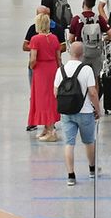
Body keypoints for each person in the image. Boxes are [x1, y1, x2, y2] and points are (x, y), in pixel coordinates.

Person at [54, 41, 100, 186]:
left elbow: (55, 92)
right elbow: (92, 92)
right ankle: (92, 170)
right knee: (88, 141)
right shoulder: (86, 69)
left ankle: (71, 176)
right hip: (85, 111)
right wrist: (98, 109)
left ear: (69, 52)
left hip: (67, 113)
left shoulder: (61, 70)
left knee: (69, 143)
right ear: (83, 53)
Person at [28, 10, 62, 141]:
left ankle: (51, 131)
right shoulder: (54, 38)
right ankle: (48, 127)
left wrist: (32, 66)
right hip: (52, 69)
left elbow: (33, 58)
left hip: (41, 71)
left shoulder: (35, 39)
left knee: (42, 99)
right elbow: (58, 57)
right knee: (51, 97)